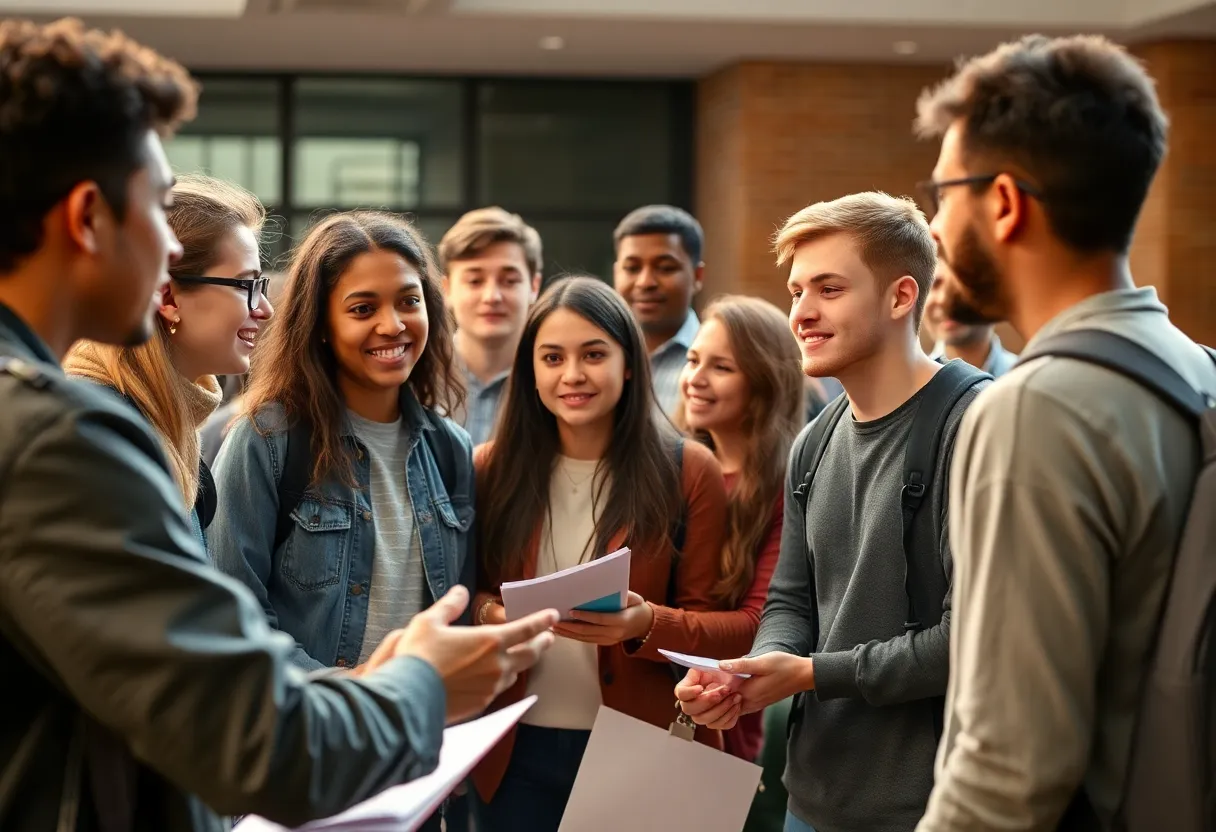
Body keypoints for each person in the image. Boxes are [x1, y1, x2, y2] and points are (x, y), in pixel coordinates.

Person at [0, 17, 557, 831]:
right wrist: (420, 685)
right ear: (88, 217)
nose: (168, 256)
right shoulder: (60, 438)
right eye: (156, 210)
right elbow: (261, 742)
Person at [913, 34, 1216, 830]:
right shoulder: (1197, 368)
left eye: (942, 193)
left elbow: (1008, 773)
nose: (934, 226)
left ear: (1004, 204)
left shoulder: (1033, 411)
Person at [676, 192, 990, 832]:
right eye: (796, 291)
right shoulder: (813, 443)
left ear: (902, 297)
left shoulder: (975, 425)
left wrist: (809, 674)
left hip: (935, 807)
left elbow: (971, 638)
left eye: (829, 289)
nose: (801, 313)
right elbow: (790, 602)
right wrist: (746, 675)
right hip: (812, 799)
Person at [470, 276, 731, 831]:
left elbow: (725, 630)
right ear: (530, 370)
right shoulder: (488, 468)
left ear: (628, 363)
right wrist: (492, 613)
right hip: (511, 751)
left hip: (645, 749)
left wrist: (646, 623)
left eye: (593, 354)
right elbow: (459, 594)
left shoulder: (688, 470)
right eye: (552, 357)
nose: (572, 374)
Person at [210, 211, 475, 676]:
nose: (393, 325)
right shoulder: (267, 439)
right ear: (321, 323)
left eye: (409, 301)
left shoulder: (451, 449)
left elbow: (460, 617)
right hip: (310, 715)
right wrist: (347, 690)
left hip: (423, 716)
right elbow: (232, 618)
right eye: (363, 309)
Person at [64, 173, 272, 552]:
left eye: (262, 286)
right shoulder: (102, 431)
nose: (265, 309)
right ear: (168, 298)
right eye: (247, 285)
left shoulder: (152, 420)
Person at [674, 294, 803, 761]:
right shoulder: (668, 468)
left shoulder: (786, 487)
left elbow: (756, 625)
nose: (695, 379)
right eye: (693, 360)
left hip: (721, 716)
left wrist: (646, 623)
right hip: (635, 700)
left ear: (764, 383)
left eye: (721, 367)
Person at [439, 206, 543, 446]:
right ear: (447, 289)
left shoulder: (554, 381)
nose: (492, 296)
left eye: (509, 281)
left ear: (534, 286)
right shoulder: (416, 377)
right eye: (475, 281)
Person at [612, 204, 704, 415]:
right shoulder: (594, 358)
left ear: (697, 276)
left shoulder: (719, 367)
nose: (645, 282)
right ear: (616, 273)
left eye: (665, 268)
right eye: (632, 268)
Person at [923, 258, 1016, 376]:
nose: (943, 299)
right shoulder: (909, 383)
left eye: (960, 283)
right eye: (935, 284)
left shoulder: (1028, 379)